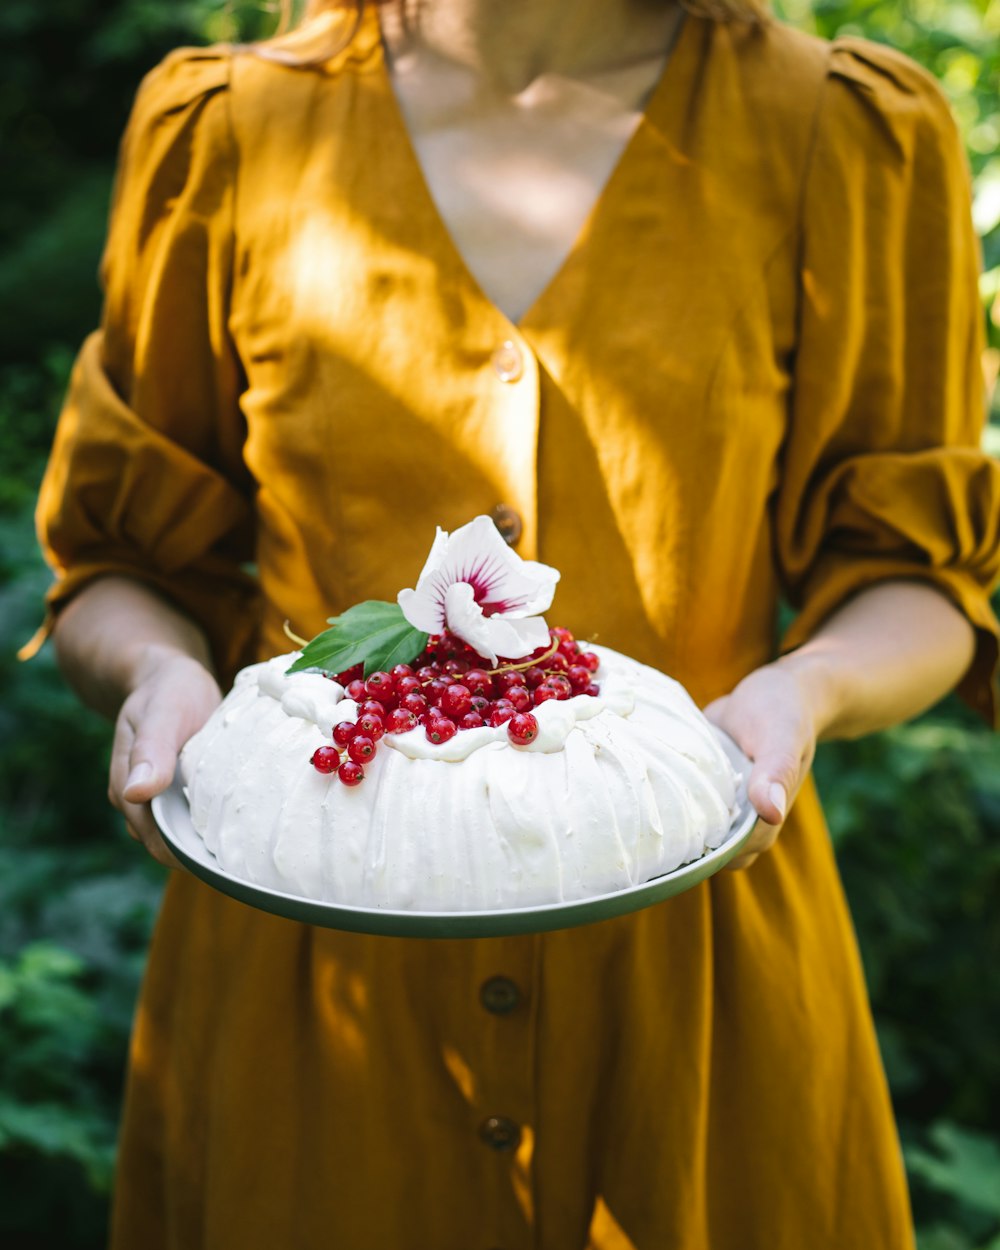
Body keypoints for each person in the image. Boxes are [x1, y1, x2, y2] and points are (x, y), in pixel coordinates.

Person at [27, 0, 1000, 1245]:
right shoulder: (226, 131)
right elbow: (120, 563)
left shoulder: (844, 131)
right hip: (306, 962)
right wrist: (160, 672)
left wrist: (799, 693)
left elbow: (920, 581)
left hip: (692, 969)